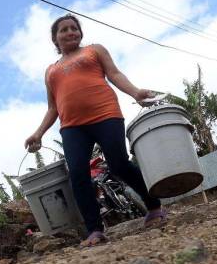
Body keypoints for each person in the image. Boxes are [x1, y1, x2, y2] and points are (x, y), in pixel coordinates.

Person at [25, 14, 167, 247]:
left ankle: (153, 206)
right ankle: (94, 230)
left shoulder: (94, 50)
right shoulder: (51, 70)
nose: (71, 32)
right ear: (55, 38)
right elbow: (53, 107)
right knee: (78, 176)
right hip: (72, 128)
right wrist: (38, 133)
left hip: (106, 115)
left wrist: (135, 92)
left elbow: (114, 74)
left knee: (119, 164)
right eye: (64, 30)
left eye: (74, 28)